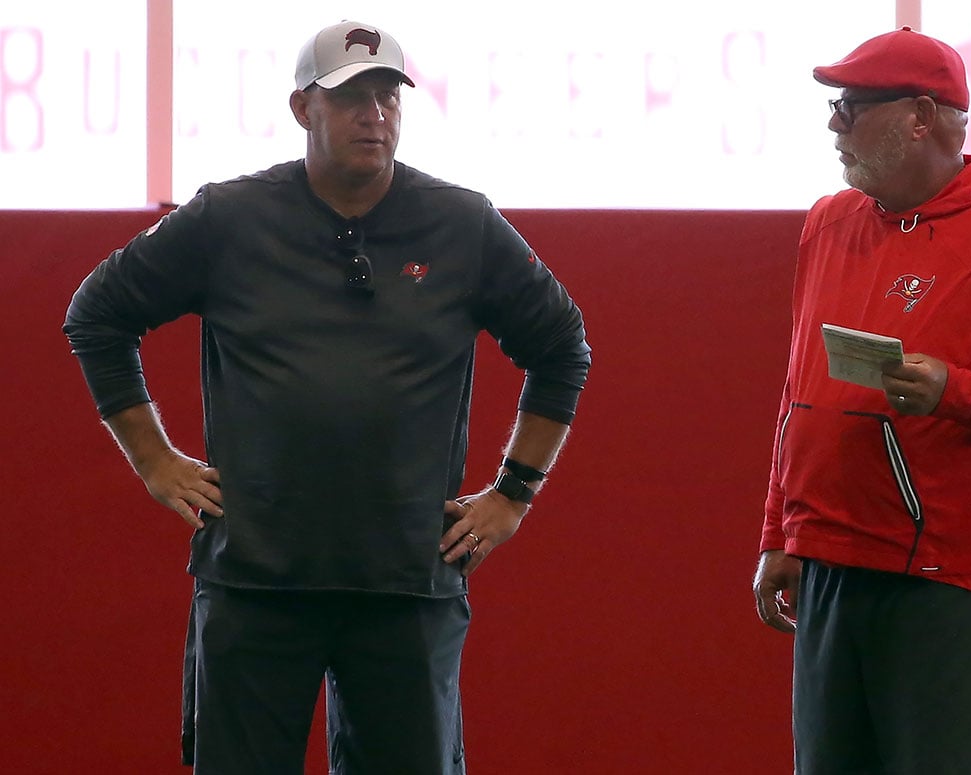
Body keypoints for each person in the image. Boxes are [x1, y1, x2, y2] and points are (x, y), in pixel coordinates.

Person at [64, 20, 590, 775]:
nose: (374, 115)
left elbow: (563, 346)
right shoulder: (231, 217)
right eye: (350, 98)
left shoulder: (461, 223)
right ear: (302, 109)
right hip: (255, 577)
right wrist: (154, 460)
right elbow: (96, 315)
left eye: (387, 96)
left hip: (406, 583)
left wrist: (514, 492)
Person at [750, 27, 971, 774]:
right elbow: (797, 391)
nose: (833, 124)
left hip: (949, 584)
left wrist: (956, 391)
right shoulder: (829, 221)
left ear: (920, 116)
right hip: (831, 566)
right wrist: (781, 529)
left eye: (851, 106)